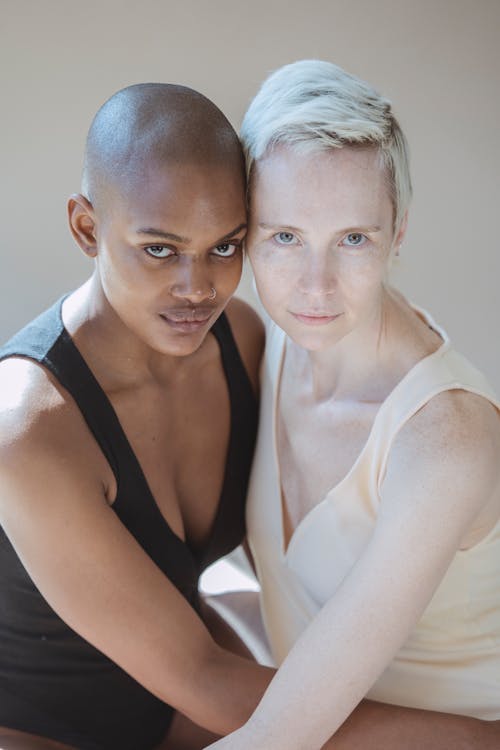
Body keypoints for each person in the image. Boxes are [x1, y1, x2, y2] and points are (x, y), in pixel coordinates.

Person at [206, 60, 500, 749]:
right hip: (328, 719)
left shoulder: (445, 440)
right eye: (284, 238)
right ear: (246, 232)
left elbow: (276, 738)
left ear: (398, 234)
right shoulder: (266, 348)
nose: (316, 286)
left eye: (353, 240)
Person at [0, 82, 273, 750]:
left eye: (226, 246)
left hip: (179, 710)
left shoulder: (239, 338)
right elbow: (208, 678)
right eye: (160, 249)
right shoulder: (26, 428)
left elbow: (294, 565)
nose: (198, 286)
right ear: (87, 228)